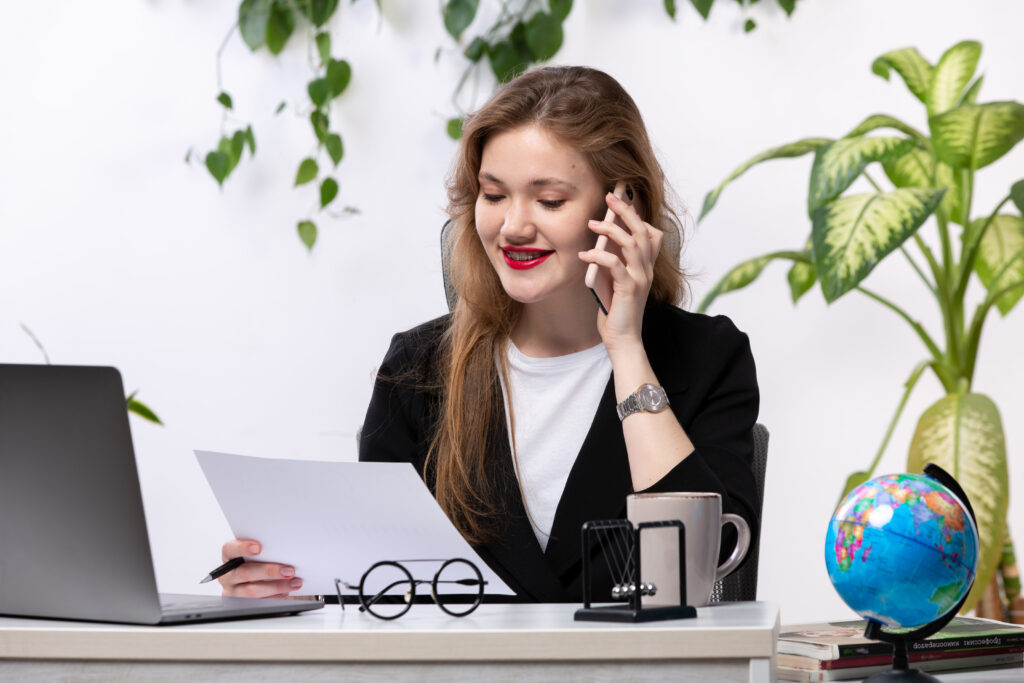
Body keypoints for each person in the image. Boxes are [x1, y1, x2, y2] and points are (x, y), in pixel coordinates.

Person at [219, 66, 759, 603]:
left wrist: (627, 349)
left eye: (549, 200)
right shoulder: (418, 368)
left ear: (622, 206)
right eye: (494, 195)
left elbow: (707, 568)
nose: (513, 226)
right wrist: (290, 588)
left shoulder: (707, 358)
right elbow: (379, 585)